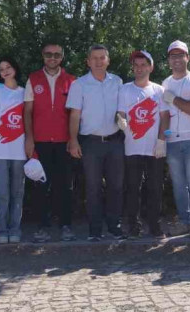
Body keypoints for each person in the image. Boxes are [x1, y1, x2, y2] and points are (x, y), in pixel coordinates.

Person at [66, 45, 126, 241]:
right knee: (92, 187)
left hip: (115, 141)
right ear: (88, 62)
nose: (99, 62)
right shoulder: (79, 84)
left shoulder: (117, 81)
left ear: (108, 60)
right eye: (95, 58)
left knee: (116, 186)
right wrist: (73, 140)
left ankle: (114, 226)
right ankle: (95, 229)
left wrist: (122, 119)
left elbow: (122, 110)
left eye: (102, 58)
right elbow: (74, 115)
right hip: (91, 143)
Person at [24, 42, 77, 242]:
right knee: (40, 186)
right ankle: (42, 227)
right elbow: (27, 112)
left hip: (64, 141)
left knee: (65, 186)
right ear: (43, 56)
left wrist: (73, 140)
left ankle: (66, 225)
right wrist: (29, 139)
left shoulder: (71, 80)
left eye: (56, 55)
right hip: (40, 141)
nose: (52, 58)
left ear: (62, 57)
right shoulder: (33, 79)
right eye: (48, 54)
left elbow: (75, 113)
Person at [159, 40, 190, 237]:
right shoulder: (165, 83)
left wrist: (175, 100)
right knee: (178, 184)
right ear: (169, 60)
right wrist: (162, 139)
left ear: (188, 58)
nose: (177, 59)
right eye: (173, 56)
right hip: (173, 141)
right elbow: (164, 116)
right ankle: (184, 221)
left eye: (180, 55)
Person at [117, 50, 165, 239]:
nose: (139, 68)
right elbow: (121, 113)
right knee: (132, 187)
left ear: (150, 67)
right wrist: (120, 121)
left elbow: (164, 117)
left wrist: (162, 140)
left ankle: (154, 225)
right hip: (132, 146)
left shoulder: (159, 90)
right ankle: (133, 226)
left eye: (143, 64)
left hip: (155, 147)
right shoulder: (125, 89)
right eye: (136, 65)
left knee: (154, 187)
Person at [0, 57, 27, 244]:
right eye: (1, 69)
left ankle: (15, 229)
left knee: (17, 191)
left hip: (19, 150)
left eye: (8, 67)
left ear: (15, 69)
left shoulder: (25, 93)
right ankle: (1, 229)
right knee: (2, 191)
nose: (5, 71)